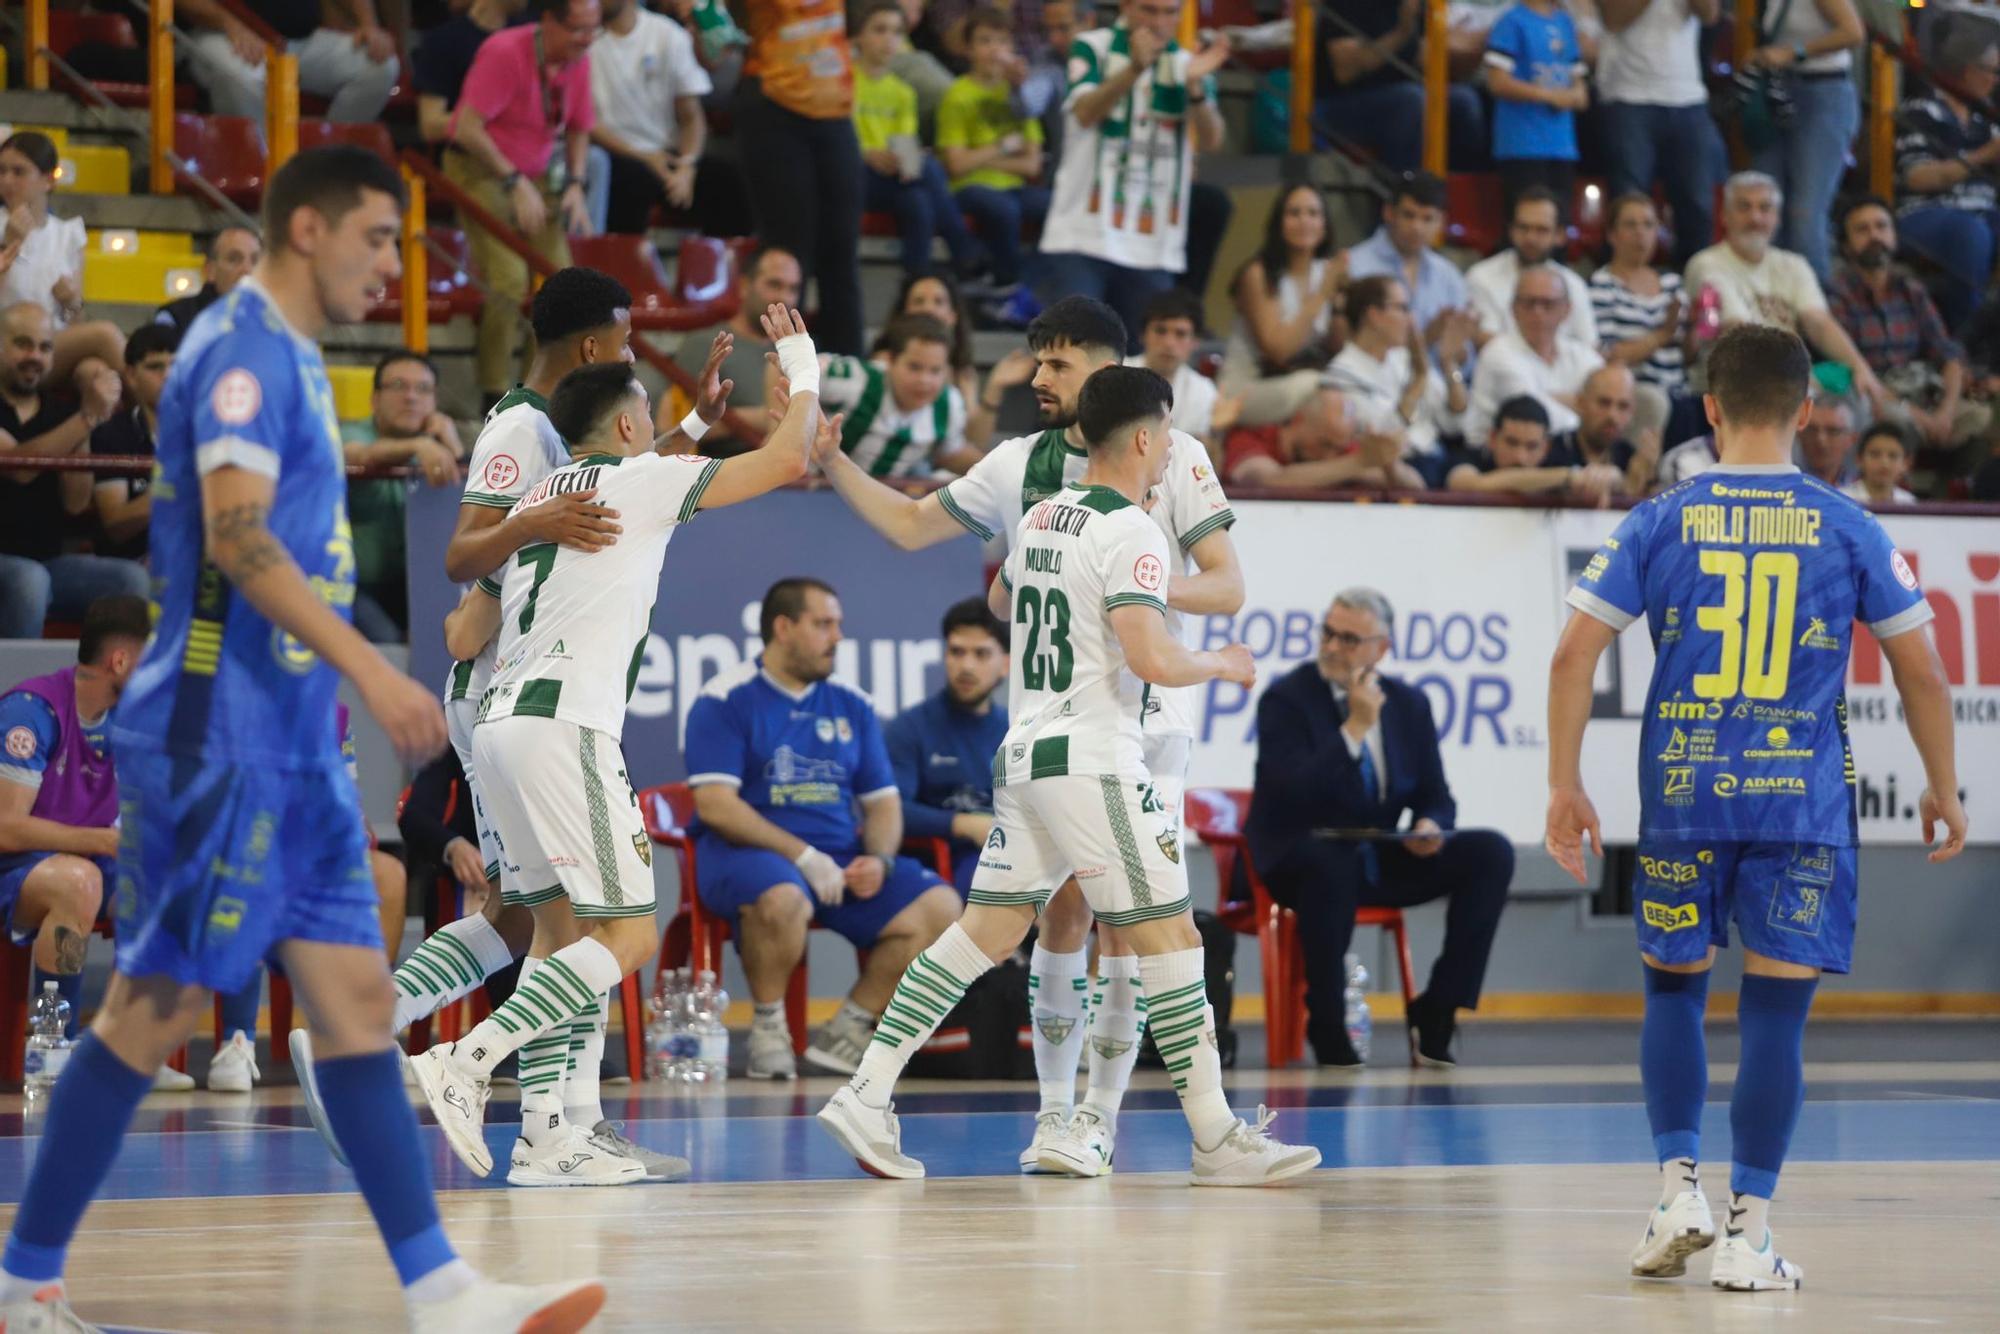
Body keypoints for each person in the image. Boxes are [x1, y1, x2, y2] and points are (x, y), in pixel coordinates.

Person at [0, 146, 606, 1332]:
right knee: (158, 1008)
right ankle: (24, 1279)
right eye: (380, 238)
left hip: (293, 740)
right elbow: (235, 536)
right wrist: (374, 665)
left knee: (357, 1004)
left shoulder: (294, 356)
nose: (395, 264)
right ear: (310, 228)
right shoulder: (237, 351)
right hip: (216, 733)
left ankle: (442, 1292)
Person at [817, 364, 1320, 1185]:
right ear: (1147, 438)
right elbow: (1151, 654)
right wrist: (1221, 663)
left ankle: (866, 1093)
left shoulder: (1044, 514)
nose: (1167, 462)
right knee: (1172, 937)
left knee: (983, 934)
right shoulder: (1134, 531)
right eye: (1164, 445)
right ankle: (1217, 1138)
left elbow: (1005, 602)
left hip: (1026, 752)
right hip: (1094, 755)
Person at [1545, 323, 1964, 1292]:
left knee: (1671, 988)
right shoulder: (1847, 523)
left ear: (1707, 409)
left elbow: (1572, 654)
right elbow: (1922, 670)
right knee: (1774, 1016)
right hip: (1799, 803)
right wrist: (1941, 786)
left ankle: (1673, 1189)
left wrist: (1563, 781)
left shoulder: (1656, 517)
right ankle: (1748, 1230)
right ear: (1806, 411)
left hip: (1682, 793)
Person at [411, 311, 821, 1184]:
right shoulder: (637, 484)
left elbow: (467, 615)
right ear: (630, 427)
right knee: (628, 934)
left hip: (503, 727)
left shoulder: (537, 502)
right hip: (567, 724)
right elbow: (790, 458)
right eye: (646, 403)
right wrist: (802, 364)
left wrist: (701, 422)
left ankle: (549, 1139)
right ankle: (467, 1060)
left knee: (558, 931)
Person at [675, 575, 964, 1080]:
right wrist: (802, 857)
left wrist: (879, 859)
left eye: (839, 625)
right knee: (785, 897)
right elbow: (717, 806)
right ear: (783, 628)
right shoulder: (724, 699)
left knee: (942, 907)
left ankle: (851, 1026)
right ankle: (768, 1028)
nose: (838, 637)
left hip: (839, 855)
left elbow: (883, 806)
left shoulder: (852, 702)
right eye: (824, 624)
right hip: (743, 854)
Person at [1244, 587, 1513, 1066]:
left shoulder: (1409, 704)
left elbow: (1436, 793)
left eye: (1349, 639)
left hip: (1377, 853)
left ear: (1380, 649)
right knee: (1331, 862)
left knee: (1490, 852)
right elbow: (1296, 795)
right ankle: (1327, 1026)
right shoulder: (1286, 699)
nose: (1330, 647)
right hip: (1299, 856)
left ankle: (1438, 1008)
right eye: (1327, 632)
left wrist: (1431, 823)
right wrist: (1354, 729)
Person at [0, 596, 146, 1070]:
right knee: (78, 882)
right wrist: (104, 842)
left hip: (83, 862)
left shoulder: (127, 722)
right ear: (120, 661)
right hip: (14, 867)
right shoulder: (31, 711)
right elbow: (6, 828)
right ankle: (50, 1042)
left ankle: (128, 1045)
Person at [1038, 0, 1230, 343]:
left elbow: (1214, 139)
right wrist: (1133, 69)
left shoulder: (1188, 64)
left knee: (1141, 374)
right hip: (1082, 233)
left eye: (1170, 12)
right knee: (1072, 355)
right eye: (1149, 10)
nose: (1159, 21)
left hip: (1151, 244)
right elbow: (1084, 112)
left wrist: (1196, 89)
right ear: (1126, 6)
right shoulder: (1092, 46)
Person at [446, 0, 601, 407]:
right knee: (510, 279)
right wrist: (513, 181)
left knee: (564, 282)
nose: (586, 41)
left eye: (592, 30)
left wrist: (575, 183)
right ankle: (493, 392)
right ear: (548, 20)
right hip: (480, 167)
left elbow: (581, 128)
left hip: (536, 175)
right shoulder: (504, 51)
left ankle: (541, 390)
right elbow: (466, 128)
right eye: (577, 30)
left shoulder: (578, 59)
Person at [1683, 174, 1887, 414]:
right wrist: (1797, 382)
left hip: (1790, 377)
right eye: (1744, 207)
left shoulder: (1793, 265)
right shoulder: (1706, 263)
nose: (1755, 218)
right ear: (1724, 216)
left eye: (1765, 208)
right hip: (1734, 380)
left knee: (1859, 395)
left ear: (1777, 218)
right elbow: (1738, 334)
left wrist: (1860, 368)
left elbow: (1819, 323)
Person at [0, 302, 142, 641]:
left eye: (45, 347)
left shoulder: (64, 413)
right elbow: (20, 467)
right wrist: (86, 418)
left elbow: (76, 502)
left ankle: (116, 687)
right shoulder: (75, 419)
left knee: (131, 580)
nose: (34, 356)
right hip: (13, 567)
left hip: (48, 562)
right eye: (23, 344)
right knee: (29, 581)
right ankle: (20, 691)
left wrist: (86, 417)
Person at [736, 0, 867, 356]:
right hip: (774, 104)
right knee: (789, 253)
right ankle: (781, 367)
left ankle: (850, 368)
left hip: (834, 109)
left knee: (842, 250)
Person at [1827, 197, 1989, 458]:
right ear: (1846, 246)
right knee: (1891, 420)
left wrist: (1946, 411)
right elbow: (1854, 370)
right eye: (1862, 229)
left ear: (1894, 236)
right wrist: (1923, 418)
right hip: (1875, 395)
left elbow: (1948, 353)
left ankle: (1947, 492)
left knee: (1983, 416)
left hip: (1924, 392)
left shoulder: (1910, 289)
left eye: (1881, 227)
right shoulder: (1838, 294)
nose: (1874, 236)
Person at [592, 0, 752, 238]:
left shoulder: (667, 34)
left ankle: (713, 270)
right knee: (632, 182)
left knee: (731, 185)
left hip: (667, 156)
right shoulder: (583, 39)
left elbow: (691, 117)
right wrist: (645, 157)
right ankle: (624, 271)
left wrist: (687, 166)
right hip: (617, 155)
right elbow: (586, 122)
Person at [340, 350, 468, 642]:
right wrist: (419, 445)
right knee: (387, 642)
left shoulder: (438, 446)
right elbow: (357, 455)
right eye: (398, 386)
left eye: (423, 389)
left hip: (420, 586)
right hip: (355, 587)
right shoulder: (351, 433)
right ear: (374, 399)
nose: (411, 397)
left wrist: (454, 446)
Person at [852, 1, 985, 280]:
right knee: (928, 170)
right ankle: (962, 247)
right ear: (857, 37)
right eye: (880, 30)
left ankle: (916, 282)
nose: (889, 39)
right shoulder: (845, 82)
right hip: (851, 174)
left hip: (889, 176)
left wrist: (901, 158)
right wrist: (867, 154)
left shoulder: (903, 92)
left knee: (918, 199)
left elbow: (905, 144)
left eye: (897, 32)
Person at [886, 597, 1010, 890]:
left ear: (1005, 664)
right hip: (943, 864)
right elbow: (890, 810)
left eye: (981, 654)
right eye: (957, 652)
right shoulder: (910, 728)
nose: (966, 666)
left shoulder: (1017, 730)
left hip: (1016, 854)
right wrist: (963, 824)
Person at [1595, 0, 1725, 270]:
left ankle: (1694, 290)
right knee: (1627, 202)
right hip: (1628, 96)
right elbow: (1613, 17)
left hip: (1687, 97)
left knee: (1697, 204)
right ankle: (1623, 285)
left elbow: (1710, 14)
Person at [1741, 0, 1864, 284]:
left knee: (1805, 215)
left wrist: (1794, 52)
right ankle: (1769, 309)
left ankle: (1813, 314)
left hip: (1824, 94)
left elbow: (1853, 33)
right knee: (1767, 207)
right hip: (1782, 91)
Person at [1892, 29, 2000, 332]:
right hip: (1924, 213)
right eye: (1993, 72)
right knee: (1971, 232)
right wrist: (1983, 155)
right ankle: (1965, 336)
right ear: (1968, 70)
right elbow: (1917, 177)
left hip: (1983, 213)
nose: (1996, 80)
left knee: (1980, 226)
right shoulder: (1922, 111)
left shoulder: (1984, 120)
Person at [939, 6, 1050, 297]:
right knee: (1002, 208)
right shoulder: (957, 94)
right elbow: (957, 165)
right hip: (969, 188)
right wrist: (1003, 147)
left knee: (1057, 208)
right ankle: (1006, 282)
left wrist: (985, 157)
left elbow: (1032, 164)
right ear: (968, 48)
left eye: (1001, 42)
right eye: (985, 41)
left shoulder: (1019, 93)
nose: (994, 50)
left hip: (1013, 187)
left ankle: (1032, 284)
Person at [0, 132, 124, 386]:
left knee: (95, 372)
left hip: (49, 343)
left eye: (18, 172)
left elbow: (74, 320)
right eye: (2, 171)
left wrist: (71, 300)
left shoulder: (68, 234)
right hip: (7, 340)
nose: (6, 180)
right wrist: (7, 247)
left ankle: (144, 420)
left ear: (47, 180)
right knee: (106, 335)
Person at [1221, 182, 1347, 428]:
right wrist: (1321, 293)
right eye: (1294, 213)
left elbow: (1338, 348)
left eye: (1313, 213)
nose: (1304, 221)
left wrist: (1339, 303)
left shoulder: (1327, 271)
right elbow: (1279, 350)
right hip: (1247, 388)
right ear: (1279, 222)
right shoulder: (1257, 274)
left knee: (1346, 386)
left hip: (1299, 378)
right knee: (1317, 385)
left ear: (1325, 224)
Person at [1324, 275, 1470, 482]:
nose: (1411, 319)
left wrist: (1449, 366)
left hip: (1439, 457)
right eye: (1403, 308)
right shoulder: (1340, 374)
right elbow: (1383, 440)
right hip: (1398, 471)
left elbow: (1453, 423)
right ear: (1374, 315)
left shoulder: (1403, 358)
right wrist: (1418, 382)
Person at [1315, 0, 1485, 172]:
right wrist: (1402, 32)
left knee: (1464, 99)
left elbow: (1423, 55)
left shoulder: (1414, 5)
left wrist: (1488, 43)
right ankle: (1404, 188)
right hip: (1340, 104)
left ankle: (1458, 186)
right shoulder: (1347, 5)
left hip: (1403, 93)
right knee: (1412, 100)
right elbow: (1345, 71)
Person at [667, 244, 802, 452]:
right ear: (745, 286)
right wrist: (765, 417)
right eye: (774, 285)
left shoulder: (799, 350)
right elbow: (673, 425)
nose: (785, 298)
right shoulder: (705, 344)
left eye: (793, 289)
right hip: (721, 470)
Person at [177, 0, 399, 123]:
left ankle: (324, 164)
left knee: (379, 66)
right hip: (219, 34)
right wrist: (229, 23)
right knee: (242, 76)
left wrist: (369, 24)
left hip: (298, 39)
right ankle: (261, 170)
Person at [817, 314, 980, 477]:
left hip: (876, 500)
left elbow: (950, 455)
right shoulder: (850, 377)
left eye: (935, 370)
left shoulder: (948, 404)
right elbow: (793, 376)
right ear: (889, 361)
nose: (925, 380)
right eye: (914, 367)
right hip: (805, 491)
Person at [1464, 267, 1605, 445]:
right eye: (1529, 303)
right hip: (1495, 458)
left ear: (1567, 310)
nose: (1538, 312)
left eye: (1548, 304)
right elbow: (1537, 418)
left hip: (1560, 453)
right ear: (1513, 309)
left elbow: (1608, 397)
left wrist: (1547, 396)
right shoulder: (1498, 352)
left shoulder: (1582, 354)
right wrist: (1583, 409)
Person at [1346, 171, 1476, 353]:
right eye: (1409, 215)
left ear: (1441, 222)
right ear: (1389, 213)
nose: (1417, 227)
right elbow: (1348, 346)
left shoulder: (1448, 275)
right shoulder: (1355, 265)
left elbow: (1464, 358)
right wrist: (1426, 339)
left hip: (1439, 379)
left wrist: (1456, 344)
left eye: (1428, 218)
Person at [1483, 0, 1587, 221]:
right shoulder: (1511, 20)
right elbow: (1497, 82)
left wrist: (1574, 95)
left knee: (1558, 227)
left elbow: (1580, 86)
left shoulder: (1565, 22)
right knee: (1524, 224)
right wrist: (1550, 95)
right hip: (1522, 144)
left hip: (1562, 145)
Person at [1590, 194, 1688, 415]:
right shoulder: (1601, 285)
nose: (1640, 233)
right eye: (1630, 225)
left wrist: (1695, 329)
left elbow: (1687, 356)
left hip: (1680, 394)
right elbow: (1609, 356)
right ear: (1612, 235)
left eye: (1648, 225)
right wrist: (1662, 335)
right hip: (1633, 399)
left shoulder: (1672, 284)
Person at [1465, 187, 1598, 349]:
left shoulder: (1574, 284)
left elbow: (1589, 346)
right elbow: (1486, 340)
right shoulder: (1481, 277)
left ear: (1560, 236)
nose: (1530, 238)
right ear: (1511, 231)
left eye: (1541, 230)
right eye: (1523, 228)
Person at [1222, 386, 1422, 491]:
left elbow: (1415, 485)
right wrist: (1358, 463)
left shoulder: (1339, 449)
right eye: (1325, 443)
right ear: (1299, 419)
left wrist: (1388, 463)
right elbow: (1272, 480)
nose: (1330, 455)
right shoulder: (1252, 437)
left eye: (1338, 448)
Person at [89, 324, 176, 564]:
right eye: (155, 367)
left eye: (176, 365)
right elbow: (117, 527)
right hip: (129, 563)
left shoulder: (207, 430)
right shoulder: (112, 434)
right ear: (131, 376)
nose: (168, 375)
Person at [1447, 394, 1624, 502]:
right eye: (1511, 442)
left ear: (1545, 448)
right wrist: (1567, 477)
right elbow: (1465, 484)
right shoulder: (1471, 457)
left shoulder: (1557, 461)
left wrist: (1610, 476)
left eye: (1531, 446)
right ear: (1493, 438)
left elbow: (1610, 480)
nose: (1520, 457)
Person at [1125, 287, 1223, 450]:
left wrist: (1216, 432)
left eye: (1180, 334)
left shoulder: (1204, 391)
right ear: (1142, 335)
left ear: (1195, 341)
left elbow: (1204, 468)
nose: (1169, 343)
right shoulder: (1115, 372)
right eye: (1160, 331)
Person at [1554, 364, 1658, 497]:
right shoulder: (1554, 449)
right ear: (1581, 403)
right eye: (1604, 403)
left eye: (1623, 406)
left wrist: (1643, 481)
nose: (1612, 416)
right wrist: (1572, 477)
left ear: (1632, 412)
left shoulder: (1629, 456)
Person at [150, 225, 261, 337]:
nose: (247, 270)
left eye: (255, 261)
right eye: (234, 259)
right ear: (210, 270)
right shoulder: (176, 319)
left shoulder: (274, 321)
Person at [1843, 419, 1918, 505]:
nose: (1884, 463)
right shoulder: (1842, 500)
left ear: (1906, 463)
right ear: (1859, 459)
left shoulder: (1910, 503)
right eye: (1875, 454)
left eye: (1893, 456)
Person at [1795, 394, 1857, 489]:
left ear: (1851, 439)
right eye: (1812, 430)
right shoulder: (1784, 483)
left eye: (1832, 431)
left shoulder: (1861, 486)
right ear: (1799, 434)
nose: (1821, 439)